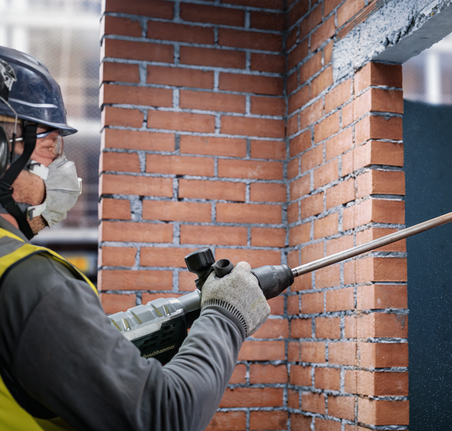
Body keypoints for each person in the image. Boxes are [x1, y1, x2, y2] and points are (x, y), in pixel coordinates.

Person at [0, 46, 270, 430]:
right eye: (49, 147)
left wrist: (99, 334)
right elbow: (165, 415)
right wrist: (226, 315)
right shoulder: (30, 283)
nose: (61, 166)